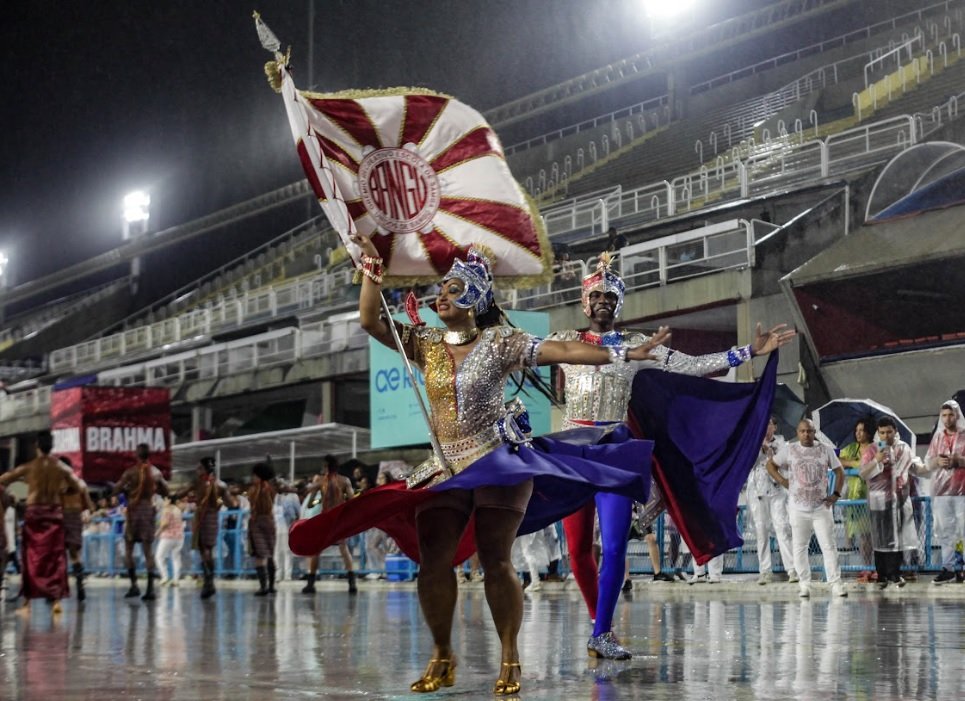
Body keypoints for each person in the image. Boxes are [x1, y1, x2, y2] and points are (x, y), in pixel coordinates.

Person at [291, 235, 662, 696]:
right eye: (439, 291)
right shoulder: (424, 343)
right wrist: (370, 267)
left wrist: (622, 353)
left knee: (495, 558)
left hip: (497, 460)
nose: (438, 296)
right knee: (434, 561)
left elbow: (561, 352)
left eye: (450, 289)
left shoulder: (500, 342)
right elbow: (370, 319)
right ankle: (442, 655)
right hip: (446, 467)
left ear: (475, 297)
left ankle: (509, 657)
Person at [548, 253, 794, 658]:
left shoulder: (636, 345)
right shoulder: (565, 340)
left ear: (618, 303)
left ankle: (602, 633)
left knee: (613, 547)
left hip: (615, 450)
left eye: (611, 295)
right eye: (598, 294)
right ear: (584, 302)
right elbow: (522, 352)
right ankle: (598, 623)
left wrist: (750, 351)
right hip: (573, 451)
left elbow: (694, 366)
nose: (604, 300)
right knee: (576, 549)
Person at [0, 431, 83, 613]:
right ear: (52, 446)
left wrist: (22, 481)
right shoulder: (61, 467)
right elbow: (77, 486)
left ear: (37, 445)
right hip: (54, 512)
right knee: (55, 557)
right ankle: (56, 602)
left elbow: (4, 479)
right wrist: (62, 491)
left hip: (34, 513)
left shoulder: (29, 466)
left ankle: (27, 603)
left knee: (31, 556)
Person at [767, 419, 847, 598]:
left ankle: (835, 583)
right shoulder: (790, 449)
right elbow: (770, 465)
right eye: (802, 431)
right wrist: (782, 481)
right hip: (797, 507)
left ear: (814, 432)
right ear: (797, 432)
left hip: (821, 507)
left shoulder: (825, 449)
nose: (806, 434)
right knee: (799, 546)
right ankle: (804, 583)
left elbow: (839, 471)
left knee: (829, 545)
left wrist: (836, 494)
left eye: (809, 431)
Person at [859, 416, 919, 588]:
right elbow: (863, 473)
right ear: (878, 433)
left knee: (897, 537)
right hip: (879, 501)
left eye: (889, 432)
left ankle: (895, 573)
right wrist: (877, 460)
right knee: (880, 537)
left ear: (895, 431)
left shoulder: (903, 448)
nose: (886, 436)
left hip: (898, 500)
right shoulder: (872, 450)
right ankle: (882, 574)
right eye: (882, 432)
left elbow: (912, 466)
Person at [113, 443, 170, 601]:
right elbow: (166, 491)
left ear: (136, 455)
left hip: (133, 511)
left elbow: (116, 489)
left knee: (129, 549)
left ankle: (134, 586)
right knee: (148, 551)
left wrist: (126, 490)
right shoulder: (155, 472)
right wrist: (153, 489)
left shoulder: (130, 472)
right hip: (148, 511)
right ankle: (150, 589)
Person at [175, 457, 236, 599]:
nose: (197, 470)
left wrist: (172, 496)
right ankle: (210, 582)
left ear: (204, 469)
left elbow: (180, 494)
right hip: (213, 518)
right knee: (209, 548)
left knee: (204, 550)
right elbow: (231, 503)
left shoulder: (197, 482)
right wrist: (218, 501)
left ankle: (207, 583)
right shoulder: (220, 485)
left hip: (201, 517)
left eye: (199, 468)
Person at [746, 417, 794, 585]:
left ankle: (792, 569)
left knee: (782, 528)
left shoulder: (782, 444)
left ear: (775, 427)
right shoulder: (753, 442)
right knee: (761, 531)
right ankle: (765, 571)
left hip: (777, 491)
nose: (766, 428)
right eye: (763, 424)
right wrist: (757, 449)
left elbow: (785, 465)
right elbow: (746, 464)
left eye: (769, 424)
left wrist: (770, 453)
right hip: (758, 492)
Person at [300, 455, 357, 595]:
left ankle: (311, 584)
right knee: (344, 550)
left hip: (325, 519)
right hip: (339, 519)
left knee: (316, 550)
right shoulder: (345, 481)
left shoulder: (320, 481)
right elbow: (352, 500)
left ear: (327, 467)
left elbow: (309, 502)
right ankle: (352, 584)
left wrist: (318, 501)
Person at [923, 400, 965, 584]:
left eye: (951, 414)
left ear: (957, 415)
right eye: (944, 415)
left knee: (963, 530)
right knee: (945, 531)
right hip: (941, 491)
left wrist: (958, 461)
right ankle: (948, 569)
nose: (947, 419)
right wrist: (937, 463)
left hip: (962, 491)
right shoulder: (938, 437)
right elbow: (928, 463)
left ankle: (962, 569)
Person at [837, 417, 877, 580]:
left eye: (862, 430)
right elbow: (838, 461)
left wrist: (862, 464)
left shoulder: (874, 449)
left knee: (871, 535)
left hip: (871, 494)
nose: (858, 433)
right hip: (854, 496)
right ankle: (866, 566)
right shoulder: (851, 449)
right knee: (863, 536)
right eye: (857, 430)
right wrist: (855, 463)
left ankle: (874, 566)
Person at [59, 457, 94, 601]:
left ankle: (57, 589)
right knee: (75, 555)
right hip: (75, 518)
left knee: (58, 555)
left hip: (60, 518)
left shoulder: (57, 484)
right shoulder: (81, 484)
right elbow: (89, 506)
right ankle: (80, 585)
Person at [248, 462, 277, 596]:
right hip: (270, 522)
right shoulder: (271, 488)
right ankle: (271, 585)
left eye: (254, 476)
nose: (252, 478)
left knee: (260, 554)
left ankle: (263, 586)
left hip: (257, 522)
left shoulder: (255, 490)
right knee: (270, 553)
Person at [273, 479, 301, 584]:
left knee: (287, 551)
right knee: (277, 552)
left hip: (288, 526)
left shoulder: (293, 497)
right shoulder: (276, 497)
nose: (279, 487)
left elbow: (298, 512)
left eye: (281, 485)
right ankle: (277, 575)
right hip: (277, 527)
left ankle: (287, 575)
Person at [155, 496, 184, 586]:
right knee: (176, 558)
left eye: (165, 500)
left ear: (169, 501)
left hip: (168, 537)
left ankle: (165, 577)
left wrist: (158, 532)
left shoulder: (167, 509)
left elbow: (165, 523)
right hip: (179, 537)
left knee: (159, 557)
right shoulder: (177, 510)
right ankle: (176, 579)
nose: (164, 502)